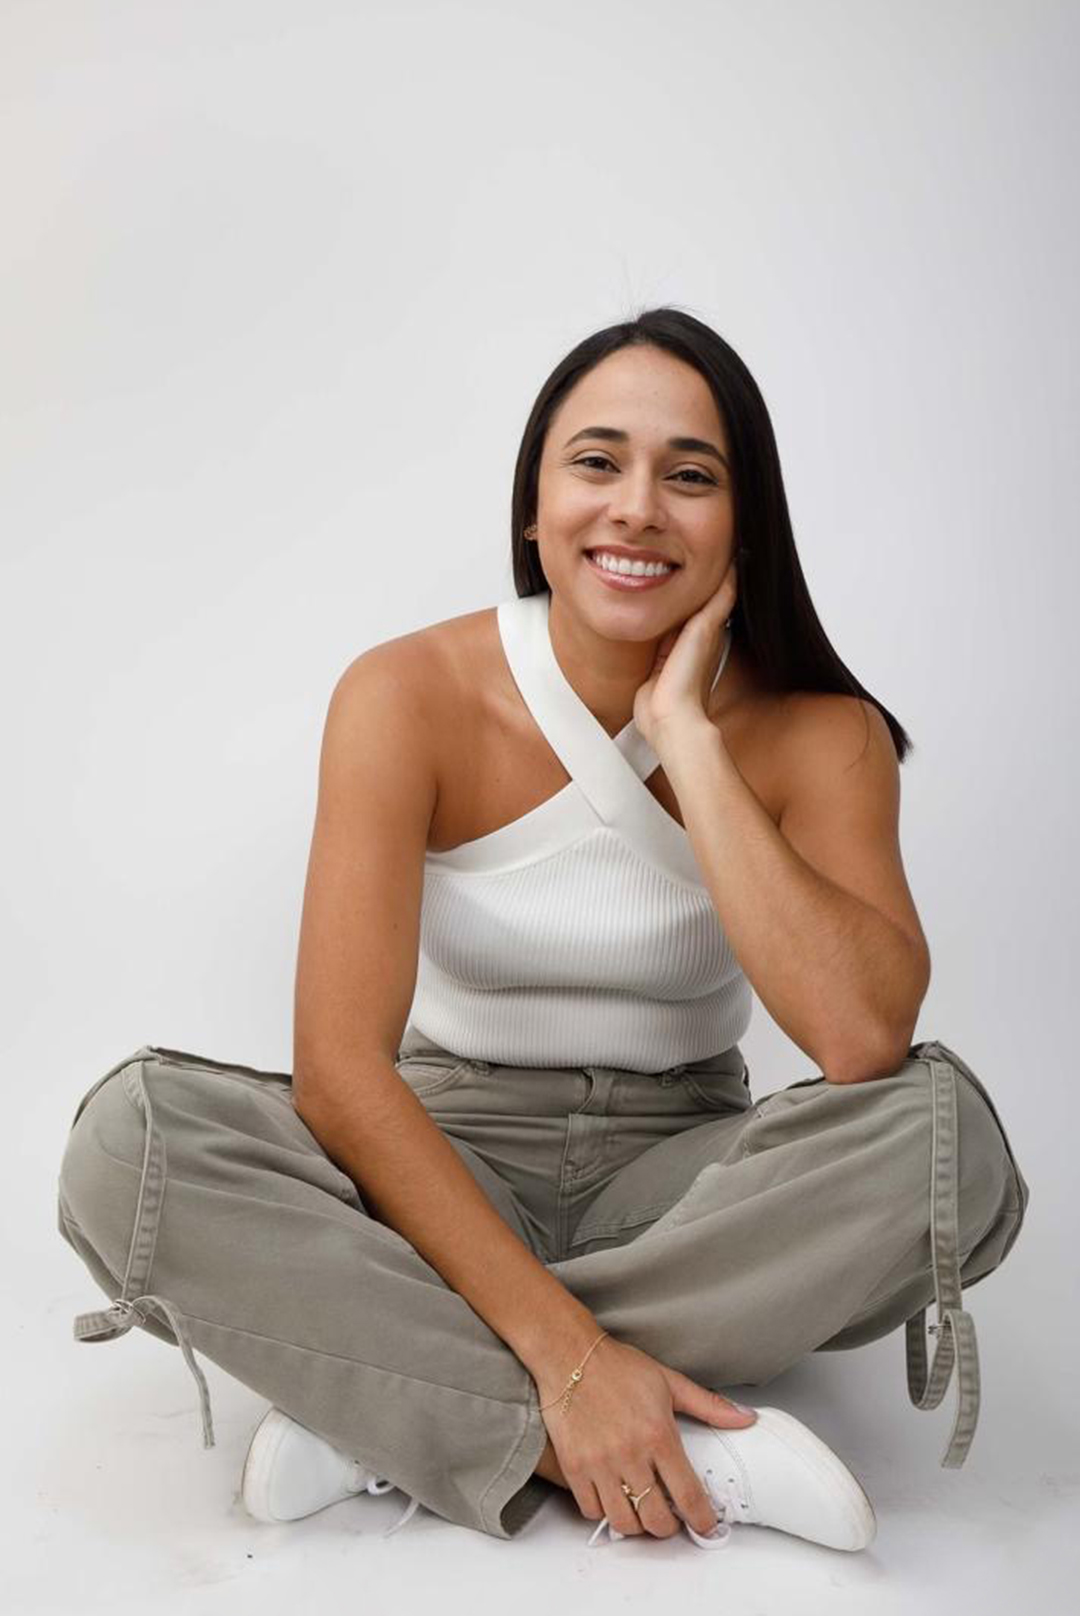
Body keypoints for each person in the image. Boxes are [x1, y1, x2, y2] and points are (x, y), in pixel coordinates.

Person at [55, 307, 1030, 1553]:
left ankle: (397, 1399)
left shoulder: (820, 732)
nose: (637, 508)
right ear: (534, 507)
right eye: (596, 462)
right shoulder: (407, 692)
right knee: (129, 1143)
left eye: (691, 477)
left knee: (946, 1144)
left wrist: (689, 735)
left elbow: (861, 1040)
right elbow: (342, 1074)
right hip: (439, 1152)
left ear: (745, 523)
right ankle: (630, 1427)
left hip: (685, 1175)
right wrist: (570, 1358)